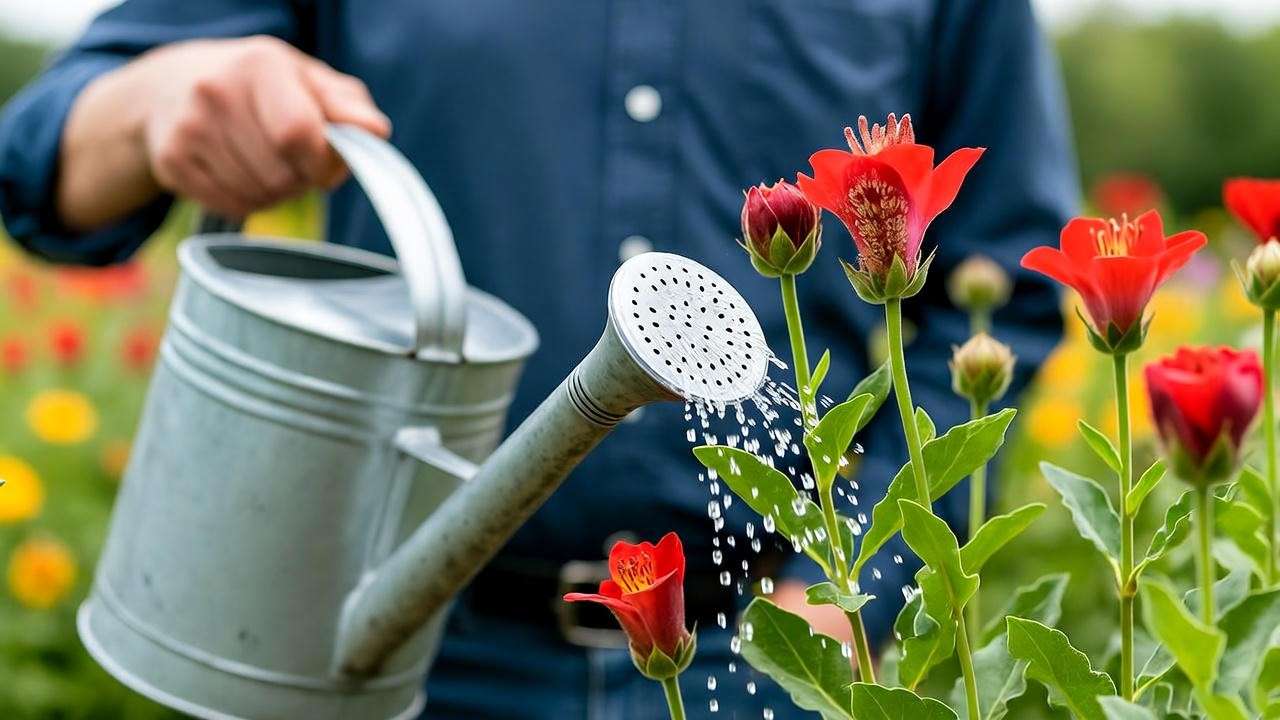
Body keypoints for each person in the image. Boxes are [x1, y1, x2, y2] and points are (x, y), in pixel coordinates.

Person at [0, 2, 1076, 717]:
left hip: (762, 657)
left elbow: (1007, 286)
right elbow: (36, 158)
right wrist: (154, 102)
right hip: (401, 652)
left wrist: (857, 592)